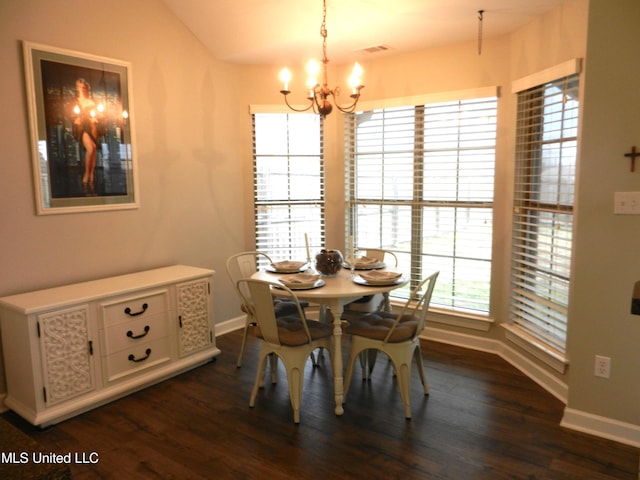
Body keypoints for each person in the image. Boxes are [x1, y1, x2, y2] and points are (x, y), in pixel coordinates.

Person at [72, 78, 100, 193]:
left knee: (93, 149)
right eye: (79, 87)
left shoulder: (92, 101)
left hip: (92, 127)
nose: (82, 89)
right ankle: (86, 175)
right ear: (77, 88)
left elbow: (99, 113)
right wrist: (76, 118)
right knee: (90, 148)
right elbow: (72, 114)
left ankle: (91, 175)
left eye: (84, 87)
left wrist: (96, 117)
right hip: (83, 128)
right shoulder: (76, 102)